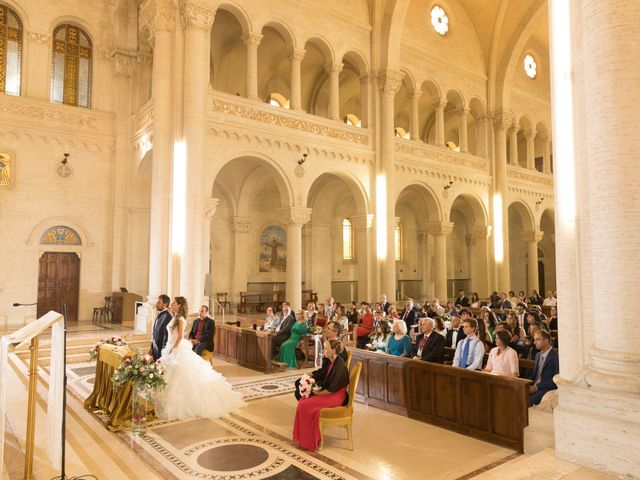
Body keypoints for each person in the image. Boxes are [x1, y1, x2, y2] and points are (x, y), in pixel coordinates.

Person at [154, 296, 245, 420]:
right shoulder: (174, 317)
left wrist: (172, 349)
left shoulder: (180, 318)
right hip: (170, 347)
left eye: (174, 303)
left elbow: (180, 336)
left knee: (180, 376)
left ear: (179, 305)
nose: (172, 304)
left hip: (176, 348)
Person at [293, 339, 349, 452]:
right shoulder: (333, 361)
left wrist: (315, 393)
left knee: (304, 405)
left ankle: (310, 441)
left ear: (333, 351)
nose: (324, 351)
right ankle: (308, 438)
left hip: (336, 397)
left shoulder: (340, 366)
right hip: (331, 393)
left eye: (326, 349)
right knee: (303, 401)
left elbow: (331, 389)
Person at [293, 321, 347, 400]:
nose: (325, 330)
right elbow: (324, 368)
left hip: (328, 381)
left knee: (299, 388)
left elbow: (329, 372)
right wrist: (312, 373)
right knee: (299, 383)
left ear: (335, 332)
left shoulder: (337, 349)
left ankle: (309, 405)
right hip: (324, 376)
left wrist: (313, 376)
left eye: (328, 328)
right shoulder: (330, 344)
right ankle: (307, 405)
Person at [528, 330, 559, 406]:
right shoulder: (538, 355)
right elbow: (535, 375)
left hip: (546, 389)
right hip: (534, 387)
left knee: (527, 401)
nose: (534, 342)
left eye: (537, 339)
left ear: (546, 341)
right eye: (534, 340)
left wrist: (537, 387)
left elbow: (555, 380)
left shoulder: (556, 356)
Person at [149, 294, 172, 361]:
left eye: (159, 302)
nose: (156, 304)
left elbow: (166, 336)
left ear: (165, 304)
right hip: (155, 349)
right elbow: (155, 332)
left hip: (160, 351)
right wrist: (152, 348)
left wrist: (163, 353)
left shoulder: (168, 317)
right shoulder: (160, 314)